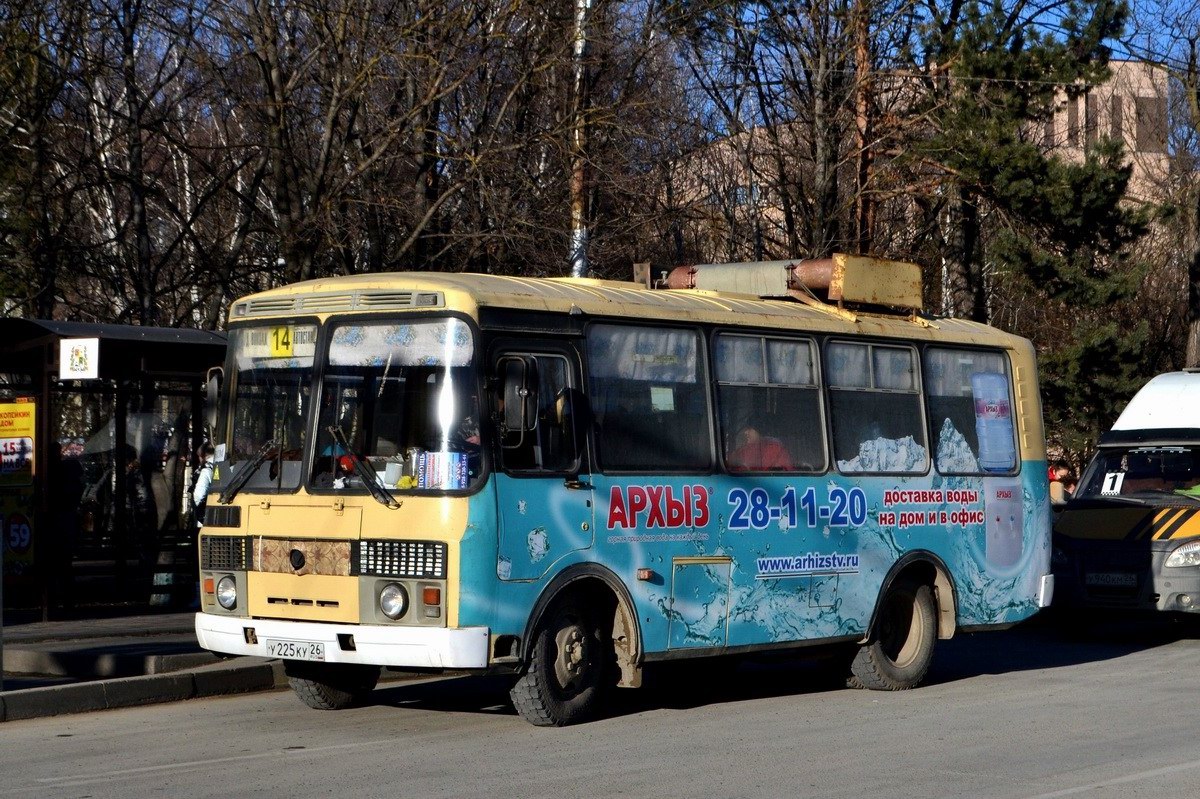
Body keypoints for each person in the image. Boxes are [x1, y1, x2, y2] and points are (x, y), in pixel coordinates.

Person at [728, 425, 794, 472]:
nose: (746, 432)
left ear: (759, 431)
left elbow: (781, 472)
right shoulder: (743, 450)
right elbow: (731, 466)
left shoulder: (775, 449)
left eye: (749, 428)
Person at [192, 442, 216, 528]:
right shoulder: (223, 465)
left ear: (203, 455)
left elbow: (199, 495)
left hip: (205, 517)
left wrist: (198, 509)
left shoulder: (206, 470)